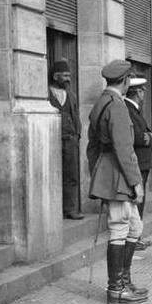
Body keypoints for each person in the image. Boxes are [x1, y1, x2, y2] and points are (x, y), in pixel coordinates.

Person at [87, 60, 148, 304]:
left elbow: (92, 146)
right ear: (124, 82)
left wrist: (97, 173)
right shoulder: (118, 106)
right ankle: (117, 288)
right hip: (119, 174)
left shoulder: (100, 103)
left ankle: (124, 280)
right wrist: (136, 182)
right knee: (121, 226)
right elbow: (124, 148)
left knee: (135, 227)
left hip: (108, 171)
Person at [48, 59, 83, 220]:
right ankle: (52, 210)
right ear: (55, 76)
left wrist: (77, 135)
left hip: (70, 140)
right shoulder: (46, 93)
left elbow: (76, 115)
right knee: (52, 175)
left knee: (71, 176)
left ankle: (70, 209)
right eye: (65, 75)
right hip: (52, 141)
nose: (68, 79)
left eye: (69, 75)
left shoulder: (71, 95)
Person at [124, 75, 152, 251]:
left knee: (139, 201)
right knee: (137, 200)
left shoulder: (133, 108)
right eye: (142, 90)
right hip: (138, 162)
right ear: (137, 92)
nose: (144, 93)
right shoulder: (128, 109)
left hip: (143, 162)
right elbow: (135, 136)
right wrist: (148, 137)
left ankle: (137, 236)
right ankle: (134, 237)